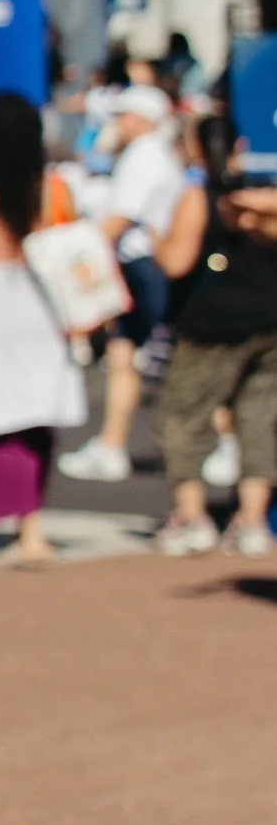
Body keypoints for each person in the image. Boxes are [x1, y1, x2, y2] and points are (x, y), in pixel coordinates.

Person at [0, 89, 85, 564]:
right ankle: (32, 524)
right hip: (40, 298)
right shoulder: (48, 186)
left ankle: (20, 522)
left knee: (2, 412)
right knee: (37, 414)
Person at [150, 115, 277, 558]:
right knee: (260, 420)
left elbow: (176, 262)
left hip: (211, 326)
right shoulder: (264, 196)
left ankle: (192, 516)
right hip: (268, 323)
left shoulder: (199, 197)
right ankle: (252, 520)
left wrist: (154, 238)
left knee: (183, 416)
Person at [60, 90, 188, 485]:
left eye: (125, 115)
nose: (118, 122)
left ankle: (215, 442)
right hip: (141, 265)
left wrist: (71, 264)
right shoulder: (151, 153)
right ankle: (112, 444)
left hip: (142, 265)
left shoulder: (145, 155)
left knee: (178, 359)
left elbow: (118, 219)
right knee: (125, 355)